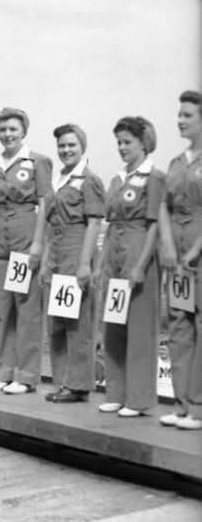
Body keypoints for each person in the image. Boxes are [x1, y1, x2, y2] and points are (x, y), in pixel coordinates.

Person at [0, 108, 52, 394]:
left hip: (24, 232)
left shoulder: (38, 162)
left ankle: (27, 375)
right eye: (3, 130)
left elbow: (44, 204)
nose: (7, 135)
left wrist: (38, 243)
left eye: (13, 130)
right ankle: (4, 371)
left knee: (27, 306)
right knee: (2, 308)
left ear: (24, 131)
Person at [97, 117, 164, 417]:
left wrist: (140, 265)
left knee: (139, 328)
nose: (122, 148)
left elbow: (155, 226)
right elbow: (109, 223)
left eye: (128, 142)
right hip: (114, 254)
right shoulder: (117, 179)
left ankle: (137, 399)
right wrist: (103, 264)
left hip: (139, 253)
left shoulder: (155, 178)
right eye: (119, 142)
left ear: (143, 142)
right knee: (113, 326)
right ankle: (116, 391)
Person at [40, 124, 105, 403]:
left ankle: (78, 385)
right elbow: (48, 221)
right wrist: (45, 259)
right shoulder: (59, 179)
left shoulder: (89, 180)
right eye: (62, 146)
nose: (66, 150)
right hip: (55, 253)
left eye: (71, 146)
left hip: (76, 250)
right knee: (57, 321)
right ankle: (63, 381)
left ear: (82, 147)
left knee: (77, 322)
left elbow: (94, 223)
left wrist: (84, 264)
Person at [158, 90, 202, 430]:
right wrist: (169, 246)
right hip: (177, 259)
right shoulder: (175, 163)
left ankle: (199, 407)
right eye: (179, 114)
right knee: (179, 325)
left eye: (187, 115)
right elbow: (163, 206)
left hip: (198, 255)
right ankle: (182, 404)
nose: (180, 120)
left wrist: (195, 248)